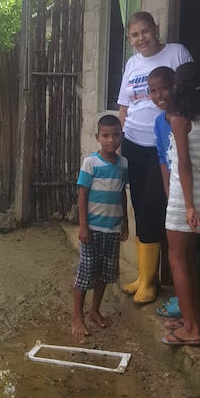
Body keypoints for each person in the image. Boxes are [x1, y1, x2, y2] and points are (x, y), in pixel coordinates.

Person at [118, 12, 192, 304]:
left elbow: (189, 93)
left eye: (145, 31)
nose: (141, 38)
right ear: (130, 39)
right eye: (135, 35)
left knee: (154, 206)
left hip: (162, 145)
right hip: (134, 143)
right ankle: (143, 276)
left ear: (156, 30)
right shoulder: (132, 64)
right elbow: (124, 105)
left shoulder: (176, 53)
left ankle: (150, 282)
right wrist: (123, 134)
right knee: (139, 205)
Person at [162, 62, 200, 346]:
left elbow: (183, 164)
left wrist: (187, 206)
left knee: (177, 259)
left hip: (183, 197)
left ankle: (191, 330)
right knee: (190, 259)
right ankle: (197, 319)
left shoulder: (179, 118)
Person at [72, 114, 129, 338]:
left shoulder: (123, 164)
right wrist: (83, 226)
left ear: (121, 137)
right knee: (85, 274)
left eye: (115, 135)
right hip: (93, 230)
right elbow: (82, 195)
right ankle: (77, 317)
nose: (110, 140)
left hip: (113, 229)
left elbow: (122, 194)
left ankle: (94, 310)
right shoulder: (91, 163)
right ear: (97, 137)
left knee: (105, 274)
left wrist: (124, 223)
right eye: (105, 136)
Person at [149, 66, 184, 320]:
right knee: (179, 252)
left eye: (163, 88)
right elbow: (163, 157)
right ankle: (185, 300)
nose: (159, 95)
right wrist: (167, 187)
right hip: (175, 192)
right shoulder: (159, 122)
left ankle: (187, 305)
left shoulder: (182, 119)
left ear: (175, 86)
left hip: (189, 193)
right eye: (153, 91)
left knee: (182, 254)